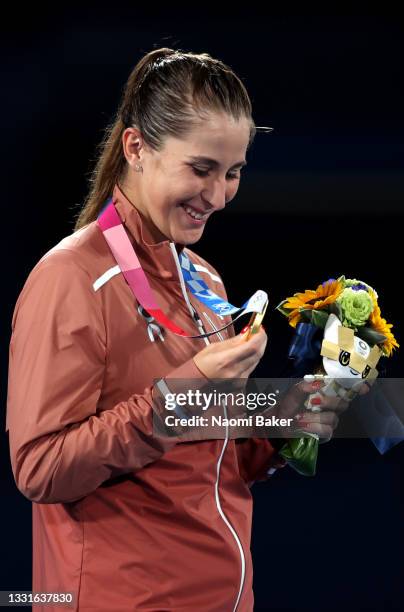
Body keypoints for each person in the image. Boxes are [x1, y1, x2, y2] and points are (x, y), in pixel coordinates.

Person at [6, 48, 355, 612]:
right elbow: (41, 468)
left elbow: (206, 459)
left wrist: (281, 423)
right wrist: (185, 389)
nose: (217, 197)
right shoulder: (69, 278)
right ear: (137, 148)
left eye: (233, 172)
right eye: (201, 169)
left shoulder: (204, 279)